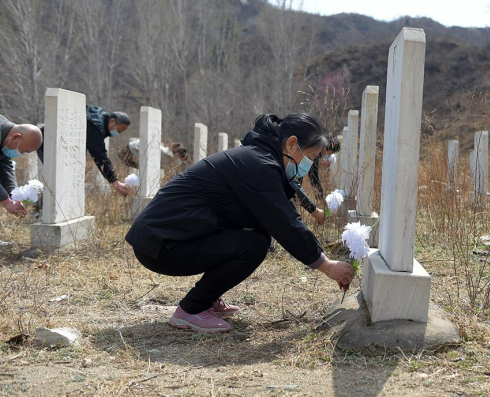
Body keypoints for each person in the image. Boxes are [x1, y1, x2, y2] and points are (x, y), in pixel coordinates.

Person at [125, 113, 355, 333]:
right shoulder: (258, 164)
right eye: (311, 158)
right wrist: (327, 265)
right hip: (162, 244)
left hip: (169, 236)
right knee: (253, 245)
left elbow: (275, 214)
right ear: (292, 144)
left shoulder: (259, 157)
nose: (310, 164)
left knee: (257, 236)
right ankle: (191, 310)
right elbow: (284, 221)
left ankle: (208, 299)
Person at [37, 105, 132, 195]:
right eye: (118, 130)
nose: (118, 134)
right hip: (48, 141)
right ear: (112, 121)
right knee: (56, 176)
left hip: (54, 142)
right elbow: (100, 156)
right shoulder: (94, 126)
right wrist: (114, 181)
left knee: (61, 178)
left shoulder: (96, 118)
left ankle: (41, 206)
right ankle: (41, 208)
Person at [0, 114, 43, 218]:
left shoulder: (5, 136)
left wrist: (13, 194)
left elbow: (5, 162)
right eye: (23, 150)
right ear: (15, 137)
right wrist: (6, 201)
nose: (21, 154)